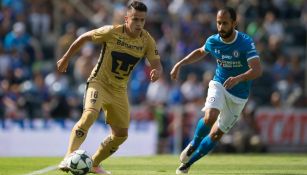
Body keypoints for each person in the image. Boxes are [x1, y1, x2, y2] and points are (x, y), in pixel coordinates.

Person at [57, 1, 162, 174]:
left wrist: (157, 71)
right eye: (135, 19)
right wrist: (66, 58)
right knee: (90, 114)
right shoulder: (111, 32)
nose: (139, 24)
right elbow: (84, 37)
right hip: (99, 82)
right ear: (126, 18)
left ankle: (94, 163)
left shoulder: (147, 40)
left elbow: (157, 63)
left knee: (121, 135)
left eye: (142, 20)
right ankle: (68, 157)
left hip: (119, 90)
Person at [170, 7, 262, 174]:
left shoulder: (245, 42)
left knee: (216, 135)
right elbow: (200, 52)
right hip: (219, 84)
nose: (220, 27)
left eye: (225, 23)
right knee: (210, 116)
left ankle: (188, 165)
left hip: (239, 95)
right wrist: (180, 64)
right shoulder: (213, 40)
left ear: (234, 23)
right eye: (218, 23)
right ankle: (193, 144)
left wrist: (238, 78)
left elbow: (257, 70)